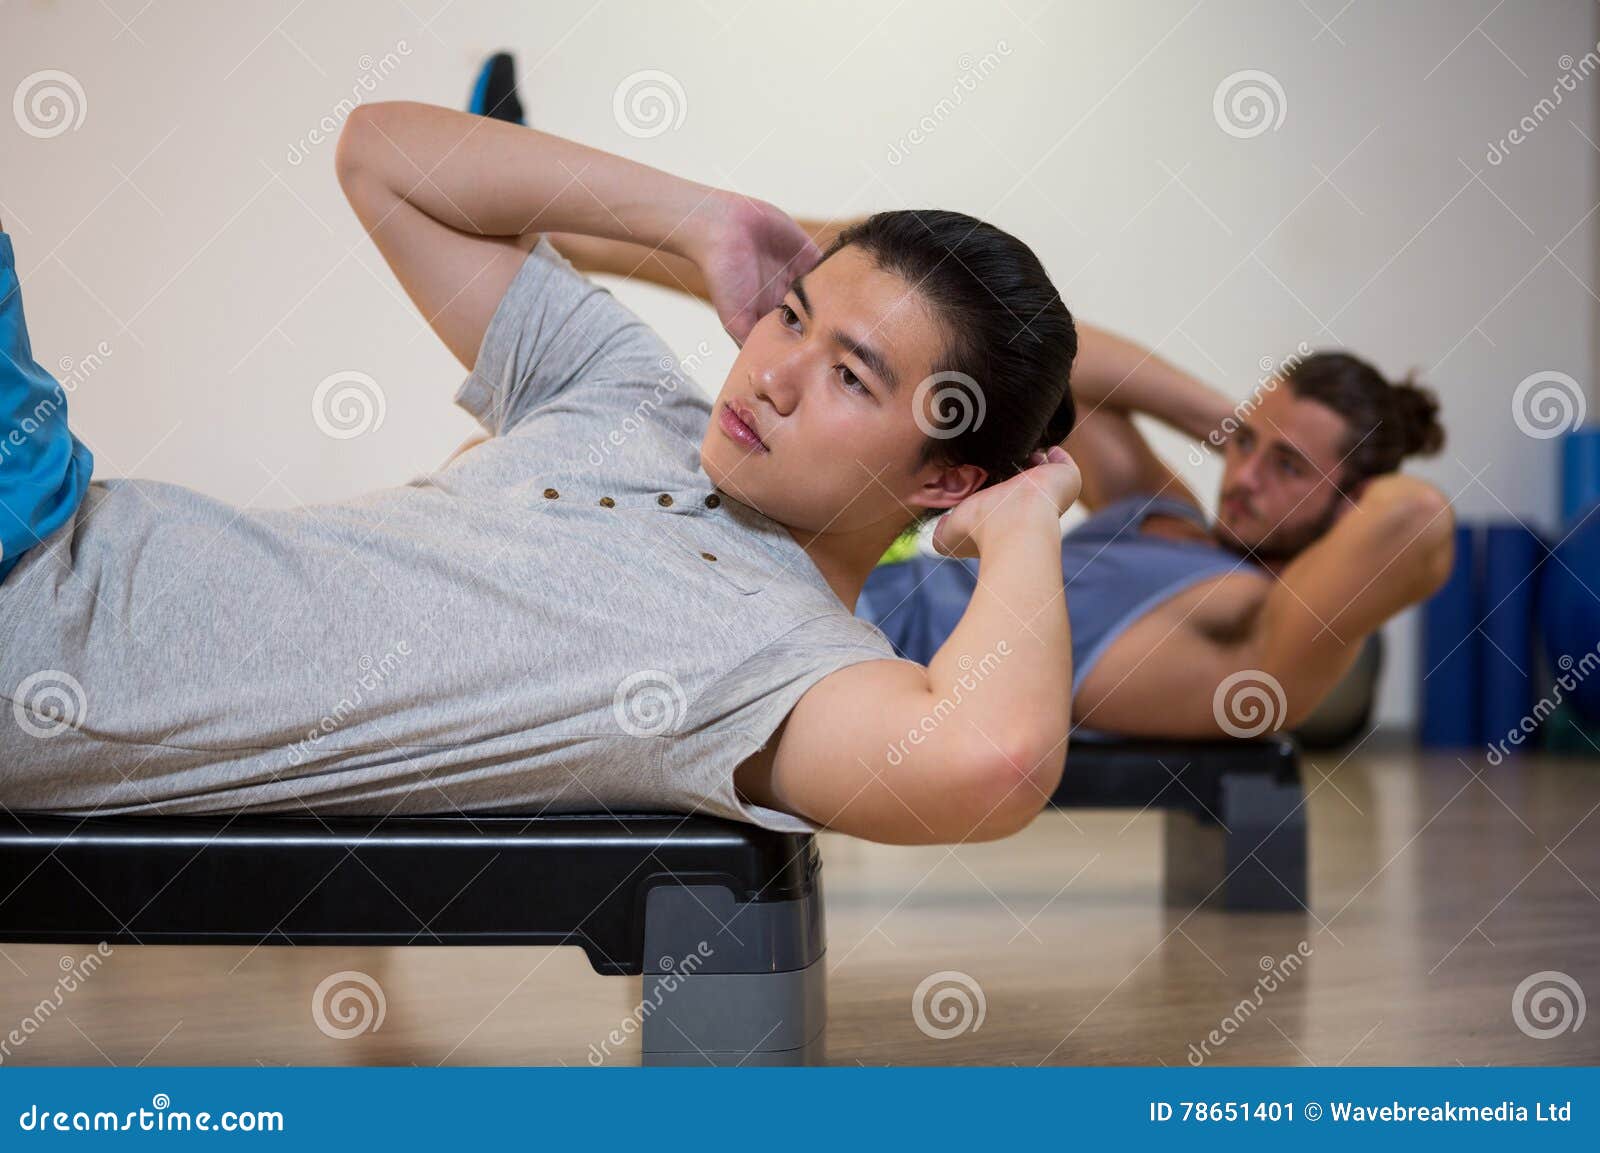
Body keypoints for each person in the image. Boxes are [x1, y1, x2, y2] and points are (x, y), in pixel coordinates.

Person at [0, 100, 1080, 845]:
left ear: (946, 478)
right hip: (62, 515)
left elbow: (990, 758)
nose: (775, 371)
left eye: (850, 377)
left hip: (37, 625)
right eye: (791, 316)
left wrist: (1025, 518)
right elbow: (384, 157)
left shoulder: (782, 665)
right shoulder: (628, 389)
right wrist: (697, 216)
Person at [559, 221, 1456, 740]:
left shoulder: (1250, 624)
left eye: (1288, 466)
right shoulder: (1166, 514)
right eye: (1246, 445)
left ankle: (552, 237)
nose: (1246, 476)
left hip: (831, 645)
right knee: (881, 274)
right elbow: (1053, 365)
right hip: (829, 572)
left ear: (1348, 503)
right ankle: (565, 233)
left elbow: (1413, 520)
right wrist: (1220, 417)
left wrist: (1330, 491)